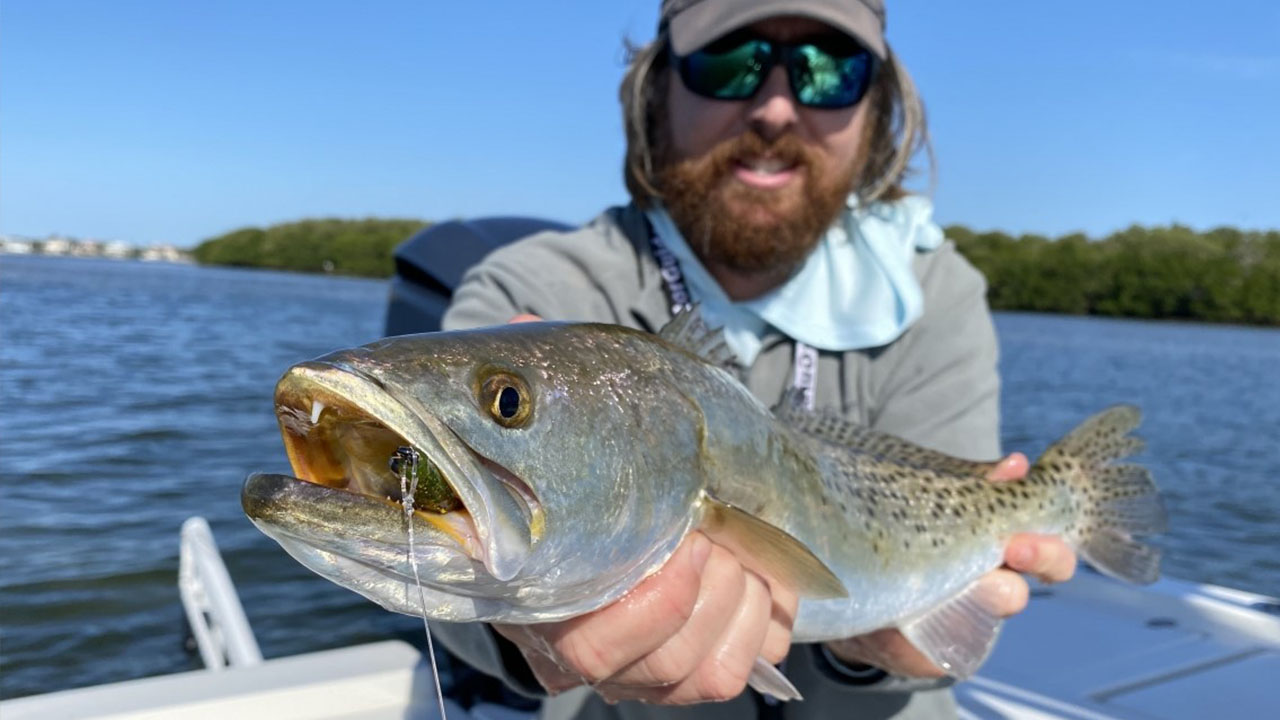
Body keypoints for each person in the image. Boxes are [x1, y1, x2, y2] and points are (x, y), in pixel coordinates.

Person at [422, 1, 1077, 718]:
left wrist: (871, 651)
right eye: (730, 63)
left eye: (828, 71)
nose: (775, 109)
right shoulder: (534, 292)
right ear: (656, 93)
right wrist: (527, 630)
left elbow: (931, 632)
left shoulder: (932, 290)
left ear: (878, 107)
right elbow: (449, 568)